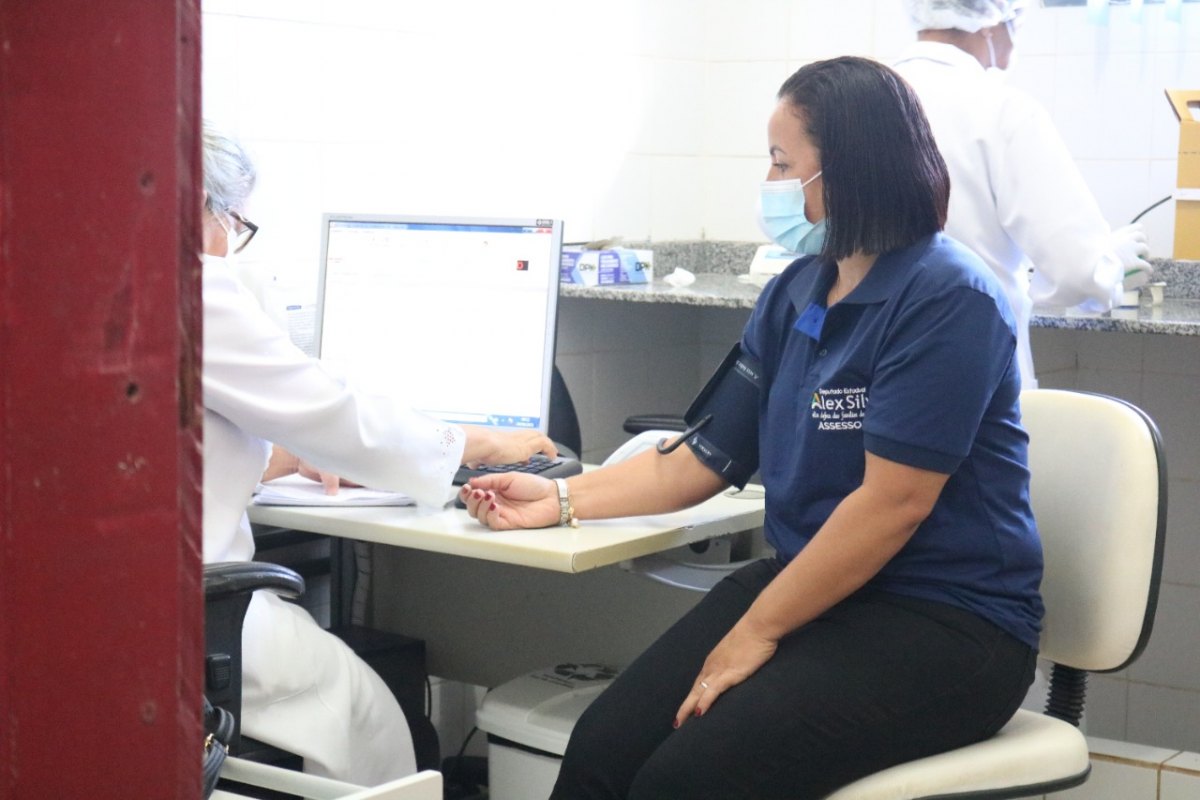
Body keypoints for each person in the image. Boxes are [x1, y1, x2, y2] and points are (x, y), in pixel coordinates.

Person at [461, 56, 1043, 800]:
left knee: (685, 780)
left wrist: (757, 630)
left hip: (945, 620)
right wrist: (559, 499)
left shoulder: (948, 298)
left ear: (848, 171)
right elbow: (696, 461)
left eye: (782, 163)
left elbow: (891, 506)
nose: (770, 182)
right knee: (603, 749)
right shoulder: (798, 291)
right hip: (816, 588)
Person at [199, 123, 556, 784]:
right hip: (199, 619)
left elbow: (182, 447)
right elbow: (339, 414)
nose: (230, 244)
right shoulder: (193, 286)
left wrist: (292, 456)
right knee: (372, 713)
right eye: (235, 223)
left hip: (112, 611)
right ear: (205, 208)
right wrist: (481, 443)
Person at [894, 0, 1152, 388]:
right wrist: (1110, 262)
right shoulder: (1000, 110)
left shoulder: (855, 105)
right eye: (1015, 20)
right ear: (989, 22)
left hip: (868, 370)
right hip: (976, 369)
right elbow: (1076, 271)